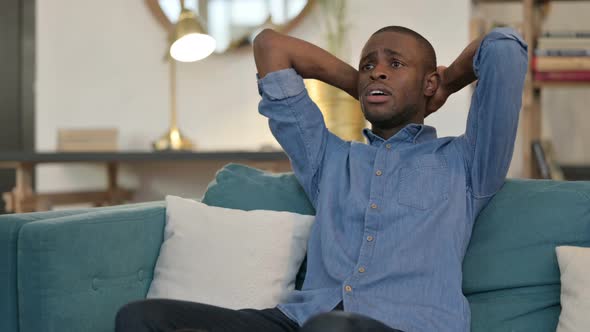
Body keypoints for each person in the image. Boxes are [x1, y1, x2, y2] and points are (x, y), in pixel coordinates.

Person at [115, 25, 528, 332]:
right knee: (142, 319)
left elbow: (504, 48)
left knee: (331, 330)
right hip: (299, 322)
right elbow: (270, 47)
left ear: (428, 81)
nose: (377, 72)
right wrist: (361, 84)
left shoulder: (467, 163)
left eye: (395, 64)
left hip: (404, 326)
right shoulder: (328, 159)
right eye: (370, 65)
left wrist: (445, 84)